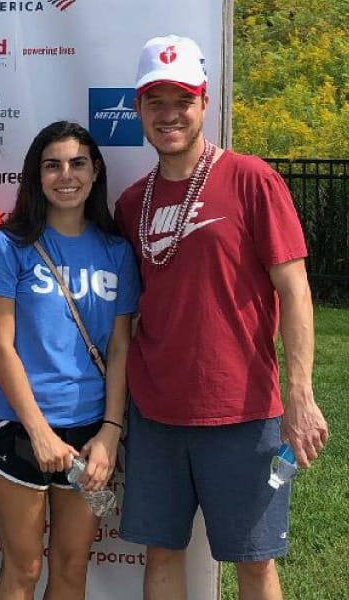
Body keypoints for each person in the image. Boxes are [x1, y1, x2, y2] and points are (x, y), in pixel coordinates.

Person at [114, 34, 330, 600]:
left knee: (254, 561)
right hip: (156, 412)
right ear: (137, 109)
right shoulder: (131, 203)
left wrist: (301, 396)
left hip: (242, 409)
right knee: (163, 552)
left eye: (181, 100)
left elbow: (296, 290)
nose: (169, 115)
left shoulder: (251, 179)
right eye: (154, 101)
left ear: (204, 102)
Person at [0, 121, 139, 600]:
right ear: (36, 175)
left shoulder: (116, 251)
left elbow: (119, 347)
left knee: (72, 567)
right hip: (18, 427)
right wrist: (39, 430)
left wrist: (110, 430)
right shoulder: (9, 245)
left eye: (77, 163)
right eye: (52, 165)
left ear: (95, 172)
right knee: (24, 567)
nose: (65, 175)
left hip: (90, 430)